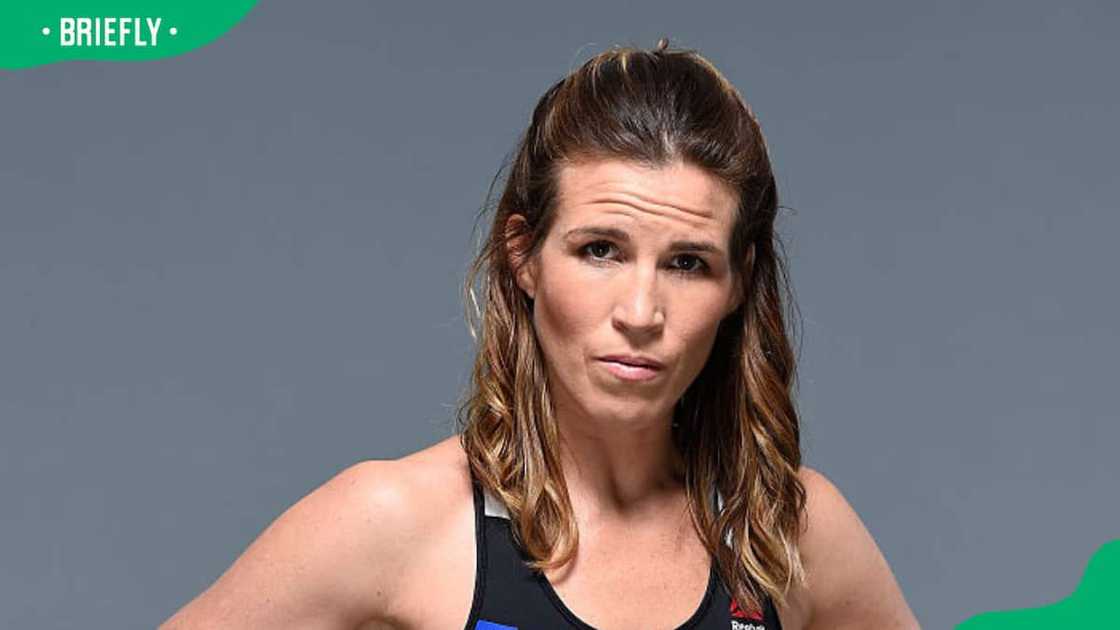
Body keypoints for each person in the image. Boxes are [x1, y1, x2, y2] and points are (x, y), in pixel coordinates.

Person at [160, 39, 920, 630]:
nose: (641, 311)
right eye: (600, 251)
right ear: (523, 257)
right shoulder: (396, 525)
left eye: (687, 263)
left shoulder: (788, 533)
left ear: (738, 284)